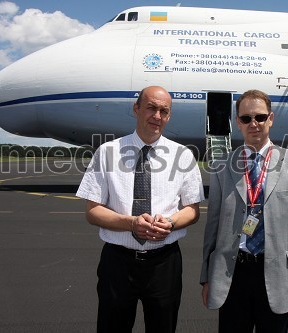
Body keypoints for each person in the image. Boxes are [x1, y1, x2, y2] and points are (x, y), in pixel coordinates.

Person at [76, 86, 205, 333]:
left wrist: (171, 223)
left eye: (164, 111)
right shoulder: (107, 152)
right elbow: (92, 211)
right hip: (118, 262)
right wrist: (131, 223)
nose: (157, 116)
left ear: (169, 116)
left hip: (164, 264)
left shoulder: (184, 156)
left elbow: (192, 209)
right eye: (151, 108)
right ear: (136, 109)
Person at [200, 89, 288, 332]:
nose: (254, 124)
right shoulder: (222, 166)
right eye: (246, 118)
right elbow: (212, 226)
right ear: (237, 123)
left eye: (260, 117)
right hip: (232, 274)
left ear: (271, 119)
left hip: (277, 272)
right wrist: (206, 276)